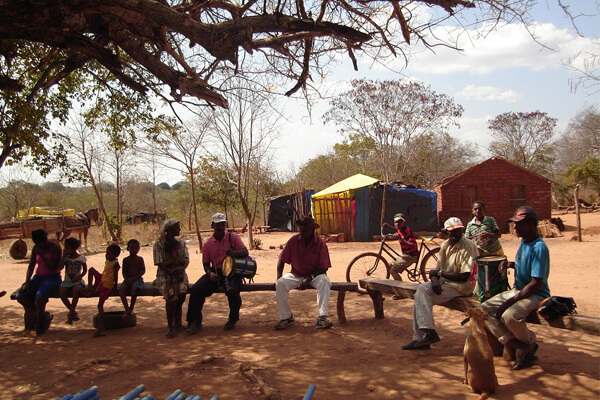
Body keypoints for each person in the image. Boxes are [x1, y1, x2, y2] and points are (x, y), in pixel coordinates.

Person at [480, 206, 550, 370]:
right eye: (515, 224)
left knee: (510, 315)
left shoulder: (539, 247)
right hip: (519, 290)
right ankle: (518, 345)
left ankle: (529, 342)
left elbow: (536, 283)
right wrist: (510, 264)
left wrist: (509, 301)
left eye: (519, 224)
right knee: (482, 310)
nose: (515, 227)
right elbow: (524, 265)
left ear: (532, 224)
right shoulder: (524, 241)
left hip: (535, 294)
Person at [402, 217, 479, 350]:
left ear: (462, 231)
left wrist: (439, 275)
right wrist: (435, 279)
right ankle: (422, 337)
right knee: (421, 294)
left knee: (422, 293)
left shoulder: (468, 246)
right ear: (446, 233)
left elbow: (463, 276)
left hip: (461, 287)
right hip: (446, 284)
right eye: (452, 231)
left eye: (458, 231)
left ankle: (426, 333)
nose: (455, 234)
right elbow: (435, 271)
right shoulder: (445, 246)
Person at [186, 213, 248, 334]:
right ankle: (194, 321)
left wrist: (233, 253)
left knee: (232, 290)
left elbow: (244, 251)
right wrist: (210, 274)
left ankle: (233, 318)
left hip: (231, 271)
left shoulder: (233, 237)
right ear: (212, 225)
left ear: (225, 225)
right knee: (196, 290)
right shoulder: (208, 244)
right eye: (218, 225)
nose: (220, 227)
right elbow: (205, 264)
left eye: (222, 225)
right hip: (216, 271)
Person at [274, 216, 334, 330]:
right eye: (300, 230)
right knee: (280, 283)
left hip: (315, 275)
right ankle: (286, 317)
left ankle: (322, 318)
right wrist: (278, 277)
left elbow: (324, 268)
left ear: (312, 231)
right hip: (296, 274)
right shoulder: (293, 241)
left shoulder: (321, 244)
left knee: (325, 281)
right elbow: (281, 260)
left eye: (305, 231)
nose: (302, 233)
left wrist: (309, 278)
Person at [16, 229, 63, 334]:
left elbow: (52, 267)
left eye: (41, 242)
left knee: (40, 297)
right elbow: (31, 266)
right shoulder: (36, 248)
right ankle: (40, 314)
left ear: (45, 239)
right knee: (20, 296)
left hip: (53, 277)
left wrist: (42, 255)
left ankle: (40, 322)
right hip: (38, 277)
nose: (39, 245)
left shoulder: (55, 248)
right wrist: (27, 281)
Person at [153, 219, 189, 338]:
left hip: (179, 273)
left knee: (182, 292)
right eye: (177, 227)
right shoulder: (158, 245)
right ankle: (170, 324)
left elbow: (186, 260)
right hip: (164, 274)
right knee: (171, 294)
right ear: (168, 230)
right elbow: (159, 263)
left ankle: (176, 320)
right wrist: (171, 271)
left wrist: (180, 269)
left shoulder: (181, 243)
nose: (179, 229)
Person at [87, 243, 121, 337]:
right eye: (106, 253)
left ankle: (101, 328)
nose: (106, 255)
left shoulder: (115, 264)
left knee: (100, 306)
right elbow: (105, 272)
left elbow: (115, 276)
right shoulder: (108, 261)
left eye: (108, 253)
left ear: (115, 255)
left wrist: (115, 287)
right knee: (91, 270)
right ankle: (90, 288)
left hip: (107, 286)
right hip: (102, 280)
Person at [383, 213, 419, 284]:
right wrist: (388, 227)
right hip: (405, 255)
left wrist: (401, 239)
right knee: (389, 265)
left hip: (411, 256)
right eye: (396, 222)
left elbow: (413, 246)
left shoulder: (407, 232)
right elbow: (397, 229)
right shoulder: (400, 229)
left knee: (393, 271)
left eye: (400, 222)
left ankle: (400, 288)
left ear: (404, 223)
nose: (397, 224)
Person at [59, 237, 88, 325]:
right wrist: (63, 256)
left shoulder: (81, 258)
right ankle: (73, 311)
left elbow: (85, 270)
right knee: (62, 293)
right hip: (67, 281)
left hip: (77, 281)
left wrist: (79, 277)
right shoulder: (66, 258)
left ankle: (71, 313)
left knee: (76, 291)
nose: (66, 250)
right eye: (65, 248)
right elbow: (60, 267)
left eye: (68, 248)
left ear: (74, 248)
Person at [119, 239, 146, 316]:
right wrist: (127, 279)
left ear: (138, 249)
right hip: (128, 279)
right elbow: (123, 272)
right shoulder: (125, 260)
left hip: (137, 280)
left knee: (134, 289)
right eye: (132, 248)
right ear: (128, 248)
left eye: (136, 248)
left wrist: (134, 278)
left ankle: (131, 307)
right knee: (121, 289)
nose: (134, 250)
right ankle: (126, 308)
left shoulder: (140, 259)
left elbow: (143, 271)